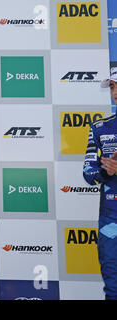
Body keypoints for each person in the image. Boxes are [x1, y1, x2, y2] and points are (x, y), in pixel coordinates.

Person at [83, 66, 117, 300]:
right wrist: (107, 172)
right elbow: (88, 172)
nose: (115, 91)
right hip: (111, 219)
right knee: (113, 286)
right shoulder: (99, 127)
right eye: (113, 86)